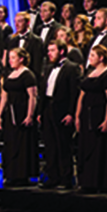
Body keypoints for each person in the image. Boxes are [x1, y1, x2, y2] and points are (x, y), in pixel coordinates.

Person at [75, 45, 107, 193]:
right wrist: (77, 116)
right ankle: (87, 181)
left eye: (93, 55)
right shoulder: (90, 74)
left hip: (99, 115)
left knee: (100, 148)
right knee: (86, 148)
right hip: (86, 116)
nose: (90, 58)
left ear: (101, 58)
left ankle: (101, 182)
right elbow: (81, 96)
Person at [38, 40, 81, 189]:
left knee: (63, 145)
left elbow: (74, 93)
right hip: (48, 109)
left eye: (52, 50)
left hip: (62, 110)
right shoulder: (49, 67)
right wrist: (40, 111)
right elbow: (44, 90)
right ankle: (53, 176)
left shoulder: (72, 68)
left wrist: (71, 113)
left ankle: (66, 178)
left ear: (61, 51)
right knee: (50, 145)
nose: (49, 53)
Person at [0, 47, 38, 186]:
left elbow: (32, 96)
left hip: (21, 112)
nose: (10, 61)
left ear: (21, 59)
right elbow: (4, 96)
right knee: (10, 143)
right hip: (10, 113)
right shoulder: (9, 74)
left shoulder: (28, 75)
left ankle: (22, 175)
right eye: (9, 58)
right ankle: (11, 173)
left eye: (13, 58)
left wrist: (29, 115)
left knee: (22, 144)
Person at [6, 11, 43, 79]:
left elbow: (37, 64)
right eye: (15, 22)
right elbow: (8, 63)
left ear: (28, 22)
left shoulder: (36, 40)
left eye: (19, 21)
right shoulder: (12, 40)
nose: (16, 24)